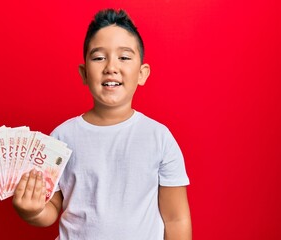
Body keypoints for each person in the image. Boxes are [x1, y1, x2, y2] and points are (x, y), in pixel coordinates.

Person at [12, 8, 192, 240]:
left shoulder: (159, 137)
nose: (111, 67)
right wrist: (32, 211)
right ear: (84, 73)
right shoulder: (61, 137)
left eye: (124, 57)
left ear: (142, 73)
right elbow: (52, 209)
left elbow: (176, 218)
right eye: (99, 57)